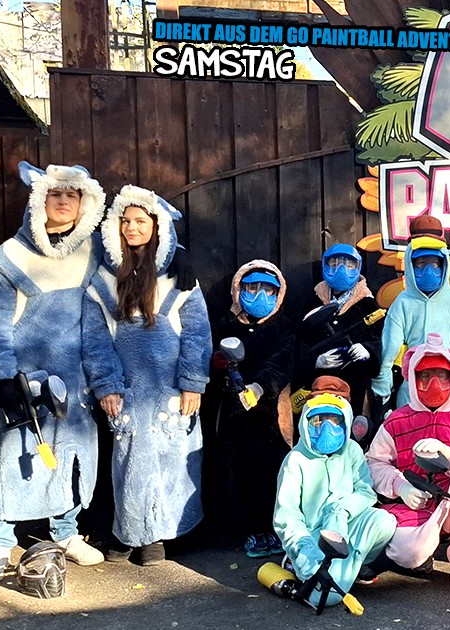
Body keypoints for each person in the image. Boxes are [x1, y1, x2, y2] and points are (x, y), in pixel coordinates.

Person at [0, 161, 107, 584]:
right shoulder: (9, 258)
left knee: (71, 459)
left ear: (85, 203)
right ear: (39, 200)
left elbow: (142, 252)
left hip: (76, 382)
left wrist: (178, 257)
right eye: (55, 194)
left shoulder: (94, 253)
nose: (64, 201)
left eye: (72, 194)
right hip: (23, 380)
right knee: (12, 459)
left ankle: (65, 533)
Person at [81, 185, 212, 566]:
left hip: (170, 387)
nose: (132, 228)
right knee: (130, 460)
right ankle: (131, 532)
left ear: (157, 226)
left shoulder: (177, 274)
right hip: (128, 387)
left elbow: (197, 331)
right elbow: (95, 339)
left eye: (141, 221)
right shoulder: (104, 278)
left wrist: (192, 382)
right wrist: (106, 384)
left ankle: (161, 535)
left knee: (172, 460)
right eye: (125, 221)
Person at [365, 334, 450, 597]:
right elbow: (375, 463)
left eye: (442, 375)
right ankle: (422, 554)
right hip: (414, 505)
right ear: (412, 378)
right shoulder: (397, 420)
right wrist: (400, 487)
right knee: (409, 554)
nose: (434, 383)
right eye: (425, 376)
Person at [273, 376, 397, 607]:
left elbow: (365, 491)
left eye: (334, 419)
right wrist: (303, 546)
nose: (327, 427)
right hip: (313, 536)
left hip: (347, 526)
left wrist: (342, 510)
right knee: (326, 598)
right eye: (318, 420)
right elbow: (286, 516)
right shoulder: (296, 460)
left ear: (346, 420)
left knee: (384, 521)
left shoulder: (352, 450)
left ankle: (347, 569)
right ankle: (303, 564)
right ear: (306, 423)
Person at [202, 260, 295, 559]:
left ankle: (273, 527)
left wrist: (259, 387)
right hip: (232, 415)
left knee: (272, 470)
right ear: (238, 290)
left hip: (271, 413)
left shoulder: (283, 326)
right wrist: (216, 365)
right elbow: (206, 361)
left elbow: (282, 362)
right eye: (252, 288)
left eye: (268, 290)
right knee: (235, 471)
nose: (259, 295)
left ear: (278, 294)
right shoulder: (224, 326)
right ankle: (248, 530)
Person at [370, 216, 450, 413]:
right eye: (420, 263)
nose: (428, 270)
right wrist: (382, 392)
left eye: (434, 263)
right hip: (413, 390)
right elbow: (389, 350)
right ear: (410, 264)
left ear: (444, 263)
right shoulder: (403, 302)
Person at [293, 244, 383, 439]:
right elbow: (298, 345)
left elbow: (379, 342)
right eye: (334, 264)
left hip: (354, 390)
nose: (341, 270)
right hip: (316, 389)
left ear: (358, 268)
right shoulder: (312, 304)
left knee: (351, 438)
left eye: (349, 265)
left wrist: (367, 351)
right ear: (325, 266)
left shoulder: (368, 306)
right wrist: (315, 361)